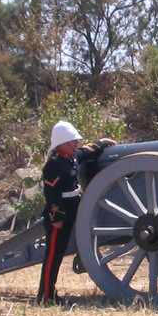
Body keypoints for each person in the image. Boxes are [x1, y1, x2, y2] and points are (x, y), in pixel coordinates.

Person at [38, 120, 115, 304]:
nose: (76, 144)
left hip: (74, 212)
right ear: (62, 143)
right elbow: (52, 195)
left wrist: (102, 142)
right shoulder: (54, 164)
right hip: (60, 217)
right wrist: (57, 218)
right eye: (72, 141)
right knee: (53, 257)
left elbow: (87, 151)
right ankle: (46, 296)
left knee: (61, 252)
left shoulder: (70, 157)